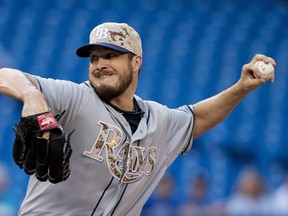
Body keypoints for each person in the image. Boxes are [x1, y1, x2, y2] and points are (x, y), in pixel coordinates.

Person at [0, 22, 276, 215]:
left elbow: (198, 118)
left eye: (111, 55)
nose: (100, 64)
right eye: (94, 58)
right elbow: (6, 75)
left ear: (136, 62)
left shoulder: (160, 121)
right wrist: (31, 96)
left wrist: (241, 88)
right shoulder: (73, 98)